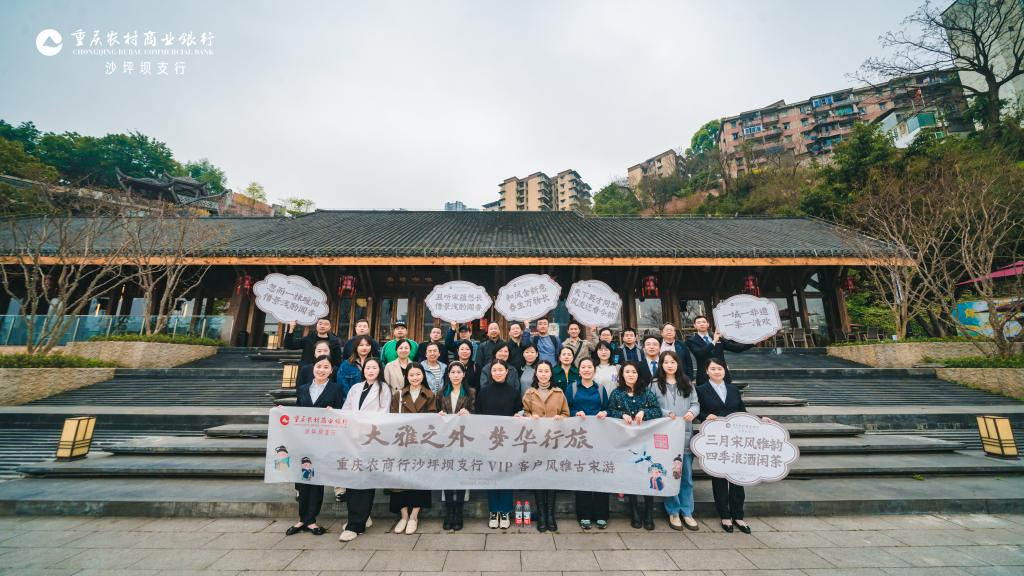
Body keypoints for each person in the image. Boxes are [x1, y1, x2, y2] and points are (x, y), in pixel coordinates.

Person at [696, 358, 771, 534]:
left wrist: (760, 420)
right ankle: (724, 515)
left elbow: (742, 412)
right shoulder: (700, 390)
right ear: (707, 371)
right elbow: (697, 411)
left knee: (738, 476)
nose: (717, 371)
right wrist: (706, 416)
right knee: (719, 477)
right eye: (713, 368)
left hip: (735, 439)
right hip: (716, 439)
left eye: (720, 368)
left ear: (725, 370)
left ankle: (738, 515)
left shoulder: (733, 389)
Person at [286, 355, 344, 537]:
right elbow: (297, 411)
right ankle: (301, 518)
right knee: (303, 480)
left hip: (323, 442)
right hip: (303, 441)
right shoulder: (303, 388)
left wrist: (334, 413)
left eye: (326, 367)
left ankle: (311, 520)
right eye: (319, 366)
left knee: (317, 481)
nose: (322, 370)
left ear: (331, 371)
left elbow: (341, 413)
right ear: (313, 368)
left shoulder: (335, 389)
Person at [337, 357, 391, 542]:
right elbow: (346, 409)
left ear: (379, 370)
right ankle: (361, 517)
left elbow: (383, 414)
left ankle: (356, 525)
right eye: (368, 367)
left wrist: (363, 425)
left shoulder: (384, 389)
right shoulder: (355, 388)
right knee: (352, 480)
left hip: (371, 438)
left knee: (366, 481)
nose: (371, 370)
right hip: (353, 439)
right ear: (363, 370)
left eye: (374, 367)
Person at [607, 360, 662, 531]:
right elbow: (610, 411)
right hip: (626, 442)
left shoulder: (646, 392)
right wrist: (621, 414)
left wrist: (644, 412)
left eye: (634, 372)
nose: (631, 375)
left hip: (646, 442)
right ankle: (635, 512)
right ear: (622, 375)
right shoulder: (616, 393)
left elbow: (657, 411)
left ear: (638, 375)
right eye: (627, 372)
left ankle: (648, 513)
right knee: (630, 476)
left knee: (648, 475)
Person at [650, 350, 700, 531]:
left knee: (686, 477)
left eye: (672, 362)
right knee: (670, 475)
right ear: (661, 365)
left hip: (684, 434)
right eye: (666, 362)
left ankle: (687, 511)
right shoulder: (654, 385)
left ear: (678, 364)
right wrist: (665, 413)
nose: (669, 365)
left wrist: (691, 412)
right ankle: (673, 511)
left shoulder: (687, 383)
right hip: (664, 436)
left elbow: (695, 404)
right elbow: (651, 406)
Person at [521, 359, 569, 533]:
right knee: (538, 477)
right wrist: (529, 417)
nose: (543, 374)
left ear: (551, 373)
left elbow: (566, 414)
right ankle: (541, 514)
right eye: (540, 371)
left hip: (554, 441)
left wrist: (561, 418)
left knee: (551, 477)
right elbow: (524, 412)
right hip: (535, 441)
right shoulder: (529, 393)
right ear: (536, 374)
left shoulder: (558, 392)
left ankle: (550, 515)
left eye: (546, 371)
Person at [388, 363, 435, 535]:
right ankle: (404, 516)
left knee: (419, 479)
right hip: (402, 442)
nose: (415, 378)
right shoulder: (398, 394)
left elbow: (432, 420)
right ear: (406, 377)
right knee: (399, 480)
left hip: (421, 443)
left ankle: (414, 516)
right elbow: (392, 419)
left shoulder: (430, 395)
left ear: (423, 375)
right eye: (411, 375)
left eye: (418, 374)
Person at [474, 359, 519, 530]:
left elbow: (519, 412)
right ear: (490, 373)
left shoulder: (514, 392)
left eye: (501, 370)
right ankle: (494, 511)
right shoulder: (483, 392)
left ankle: (505, 511)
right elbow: (478, 415)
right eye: (495, 370)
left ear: (507, 372)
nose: (498, 373)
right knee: (492, 475)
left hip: (508, 441)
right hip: (489, 441)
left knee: (506, 475)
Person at [566, 358, 609, 530]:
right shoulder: (572, 388)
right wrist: (576, 413)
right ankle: (583, 514)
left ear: (594, 370)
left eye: (589, 367)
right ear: (579, 370)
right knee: (582, 474)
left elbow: (607, 408)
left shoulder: (600, 389)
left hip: (599, 438)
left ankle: (601, 514)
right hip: (579, 437)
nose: (586, 369)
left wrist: (604, 413)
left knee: (600, 473)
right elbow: (566, 409)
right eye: (583, 367)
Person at [436, 362, 475, 530]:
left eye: (459, 372)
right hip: (446, 440)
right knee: (447, 475)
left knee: (460, 474)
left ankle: (458, 511)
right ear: (448, 374)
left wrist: (469, 414)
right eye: (453, 372)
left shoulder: (471, 392)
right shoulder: (441, 393)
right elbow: (435, 414)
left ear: (463, 374)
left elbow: (477, 413)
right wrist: (439, 415)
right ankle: (449, 511)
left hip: (463, 440)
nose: (456, 375)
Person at [686, 315, 754, 385]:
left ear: (708, 324)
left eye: (704, 322)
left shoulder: (717, 337)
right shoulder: (691, 340)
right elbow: (700, 353)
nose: (702, 324)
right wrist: (714, 341)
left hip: (722, 375)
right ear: (694, 325)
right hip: (704, 376)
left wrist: (753, 342)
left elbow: (736, 348)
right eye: (699, 323)